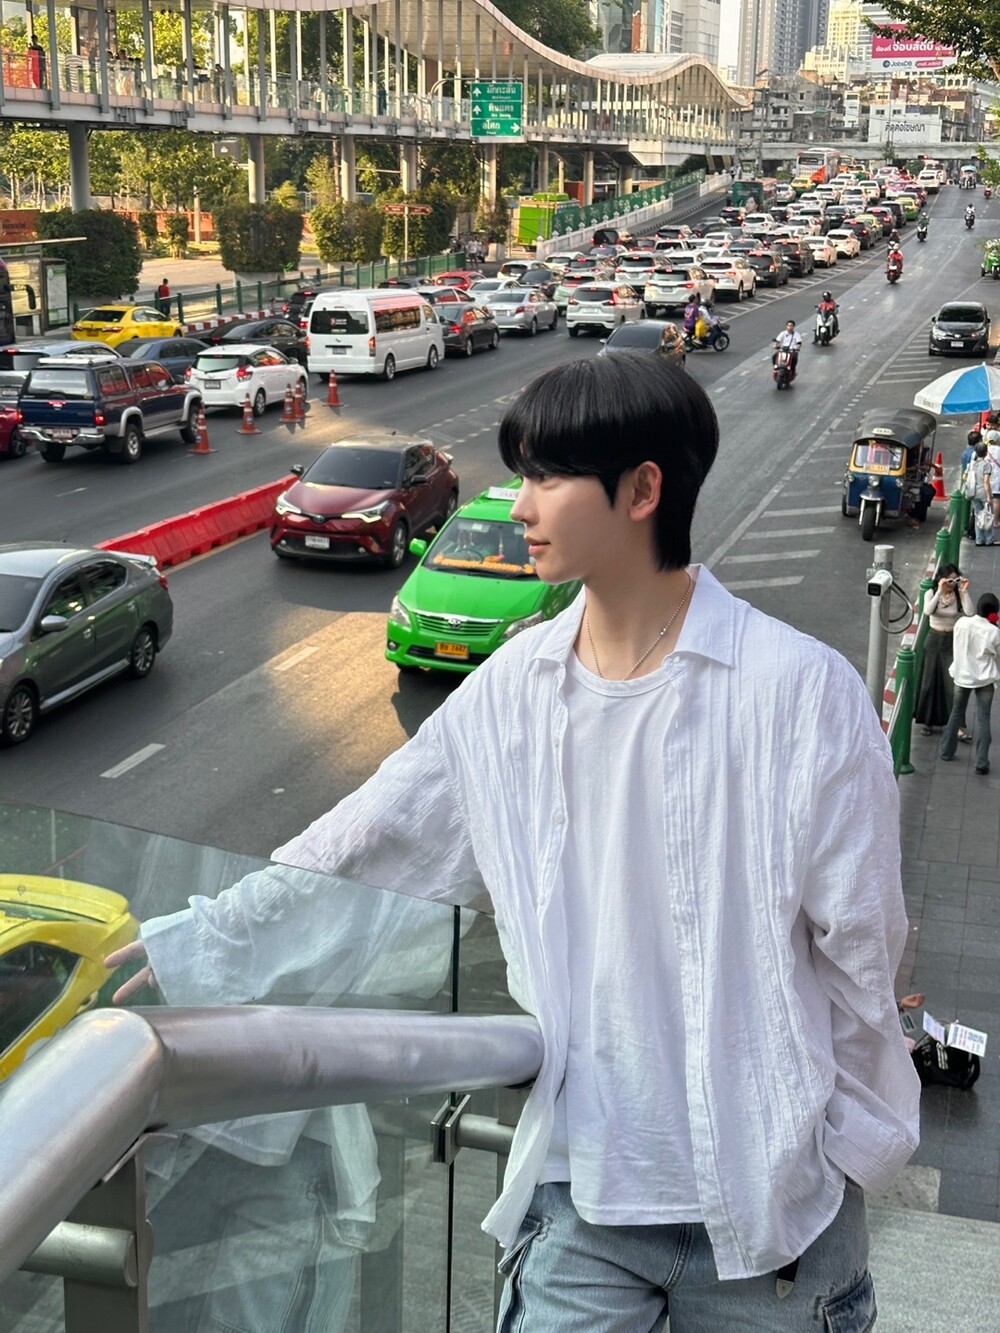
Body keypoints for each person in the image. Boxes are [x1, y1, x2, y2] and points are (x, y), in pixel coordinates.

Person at [108, 356, 919, 1331]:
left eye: (547, 476)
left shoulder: (801, 693)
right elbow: (369, 843)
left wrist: (849, 1145)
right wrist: (199, 944)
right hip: (584, 1193)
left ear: (643, 490)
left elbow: (863, 948)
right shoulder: (511, 693)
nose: (520, 503)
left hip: (775, 1204)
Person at [940, 592, 1000, 775]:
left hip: (963, 674)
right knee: (983, 718)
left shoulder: (962, 623)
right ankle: (981, 762)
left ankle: (947, 751)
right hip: (985, 678)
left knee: (957, 712)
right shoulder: (994, 632)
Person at [914, 564, 974, 737]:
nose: (952, 583)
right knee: (929, 681)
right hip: (934, 639)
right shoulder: (931, 593)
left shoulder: (957, 594)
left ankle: (958, 726)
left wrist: (964, 591)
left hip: (951, 640)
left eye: (955, 579)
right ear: (941, 579)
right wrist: (939, 590)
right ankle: (928, 721)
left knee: (952, 684)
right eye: (949, 580)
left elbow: (970, 612)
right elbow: (927, 611)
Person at [967, 438, 995, 546]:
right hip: (983, 492)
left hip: (973, 491)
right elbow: (986, 481)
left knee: (978, 515)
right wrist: (989, 496)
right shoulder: (986, 464)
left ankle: (979, 539)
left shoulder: (972, 464)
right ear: (986, 452)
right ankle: (989, 538)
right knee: (988, 515)